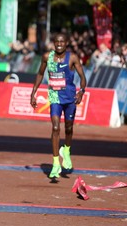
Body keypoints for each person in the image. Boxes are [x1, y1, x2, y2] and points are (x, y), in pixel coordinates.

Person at [30, 33, 86, 178]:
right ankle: (55, 163)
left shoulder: (72, 57)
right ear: (54, 43)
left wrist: (81, 92)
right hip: (55, 97)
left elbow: (82, 77)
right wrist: (33, 92)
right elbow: (40, 74)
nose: (59, 44)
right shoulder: (47, 57)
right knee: (55, 127)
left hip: (70, 98)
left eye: (62, 41)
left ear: (66, 43)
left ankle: (66, 151)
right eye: (57, 42)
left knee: (69, 127)